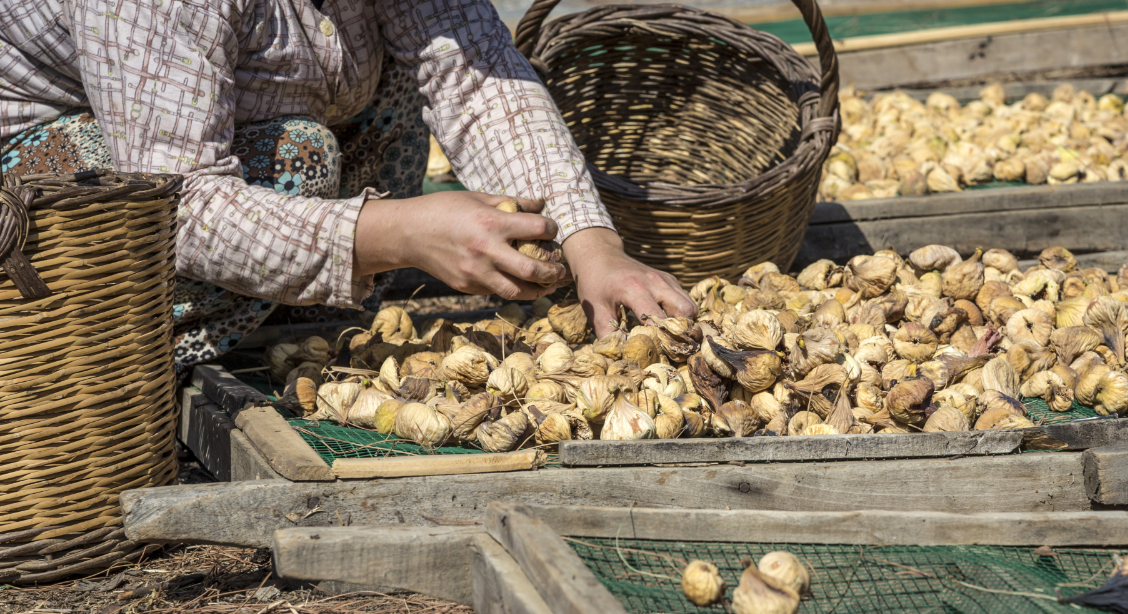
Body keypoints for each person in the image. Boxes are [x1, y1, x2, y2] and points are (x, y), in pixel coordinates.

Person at [0, 0, 696, 373]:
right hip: (46, 190)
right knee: (300, 156)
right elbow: (177, 201)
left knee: (398, 79)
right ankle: (152, 363)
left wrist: (593, 247)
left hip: (231, 120)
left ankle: (290, 328)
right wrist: (399, 232)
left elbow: (474, 75)